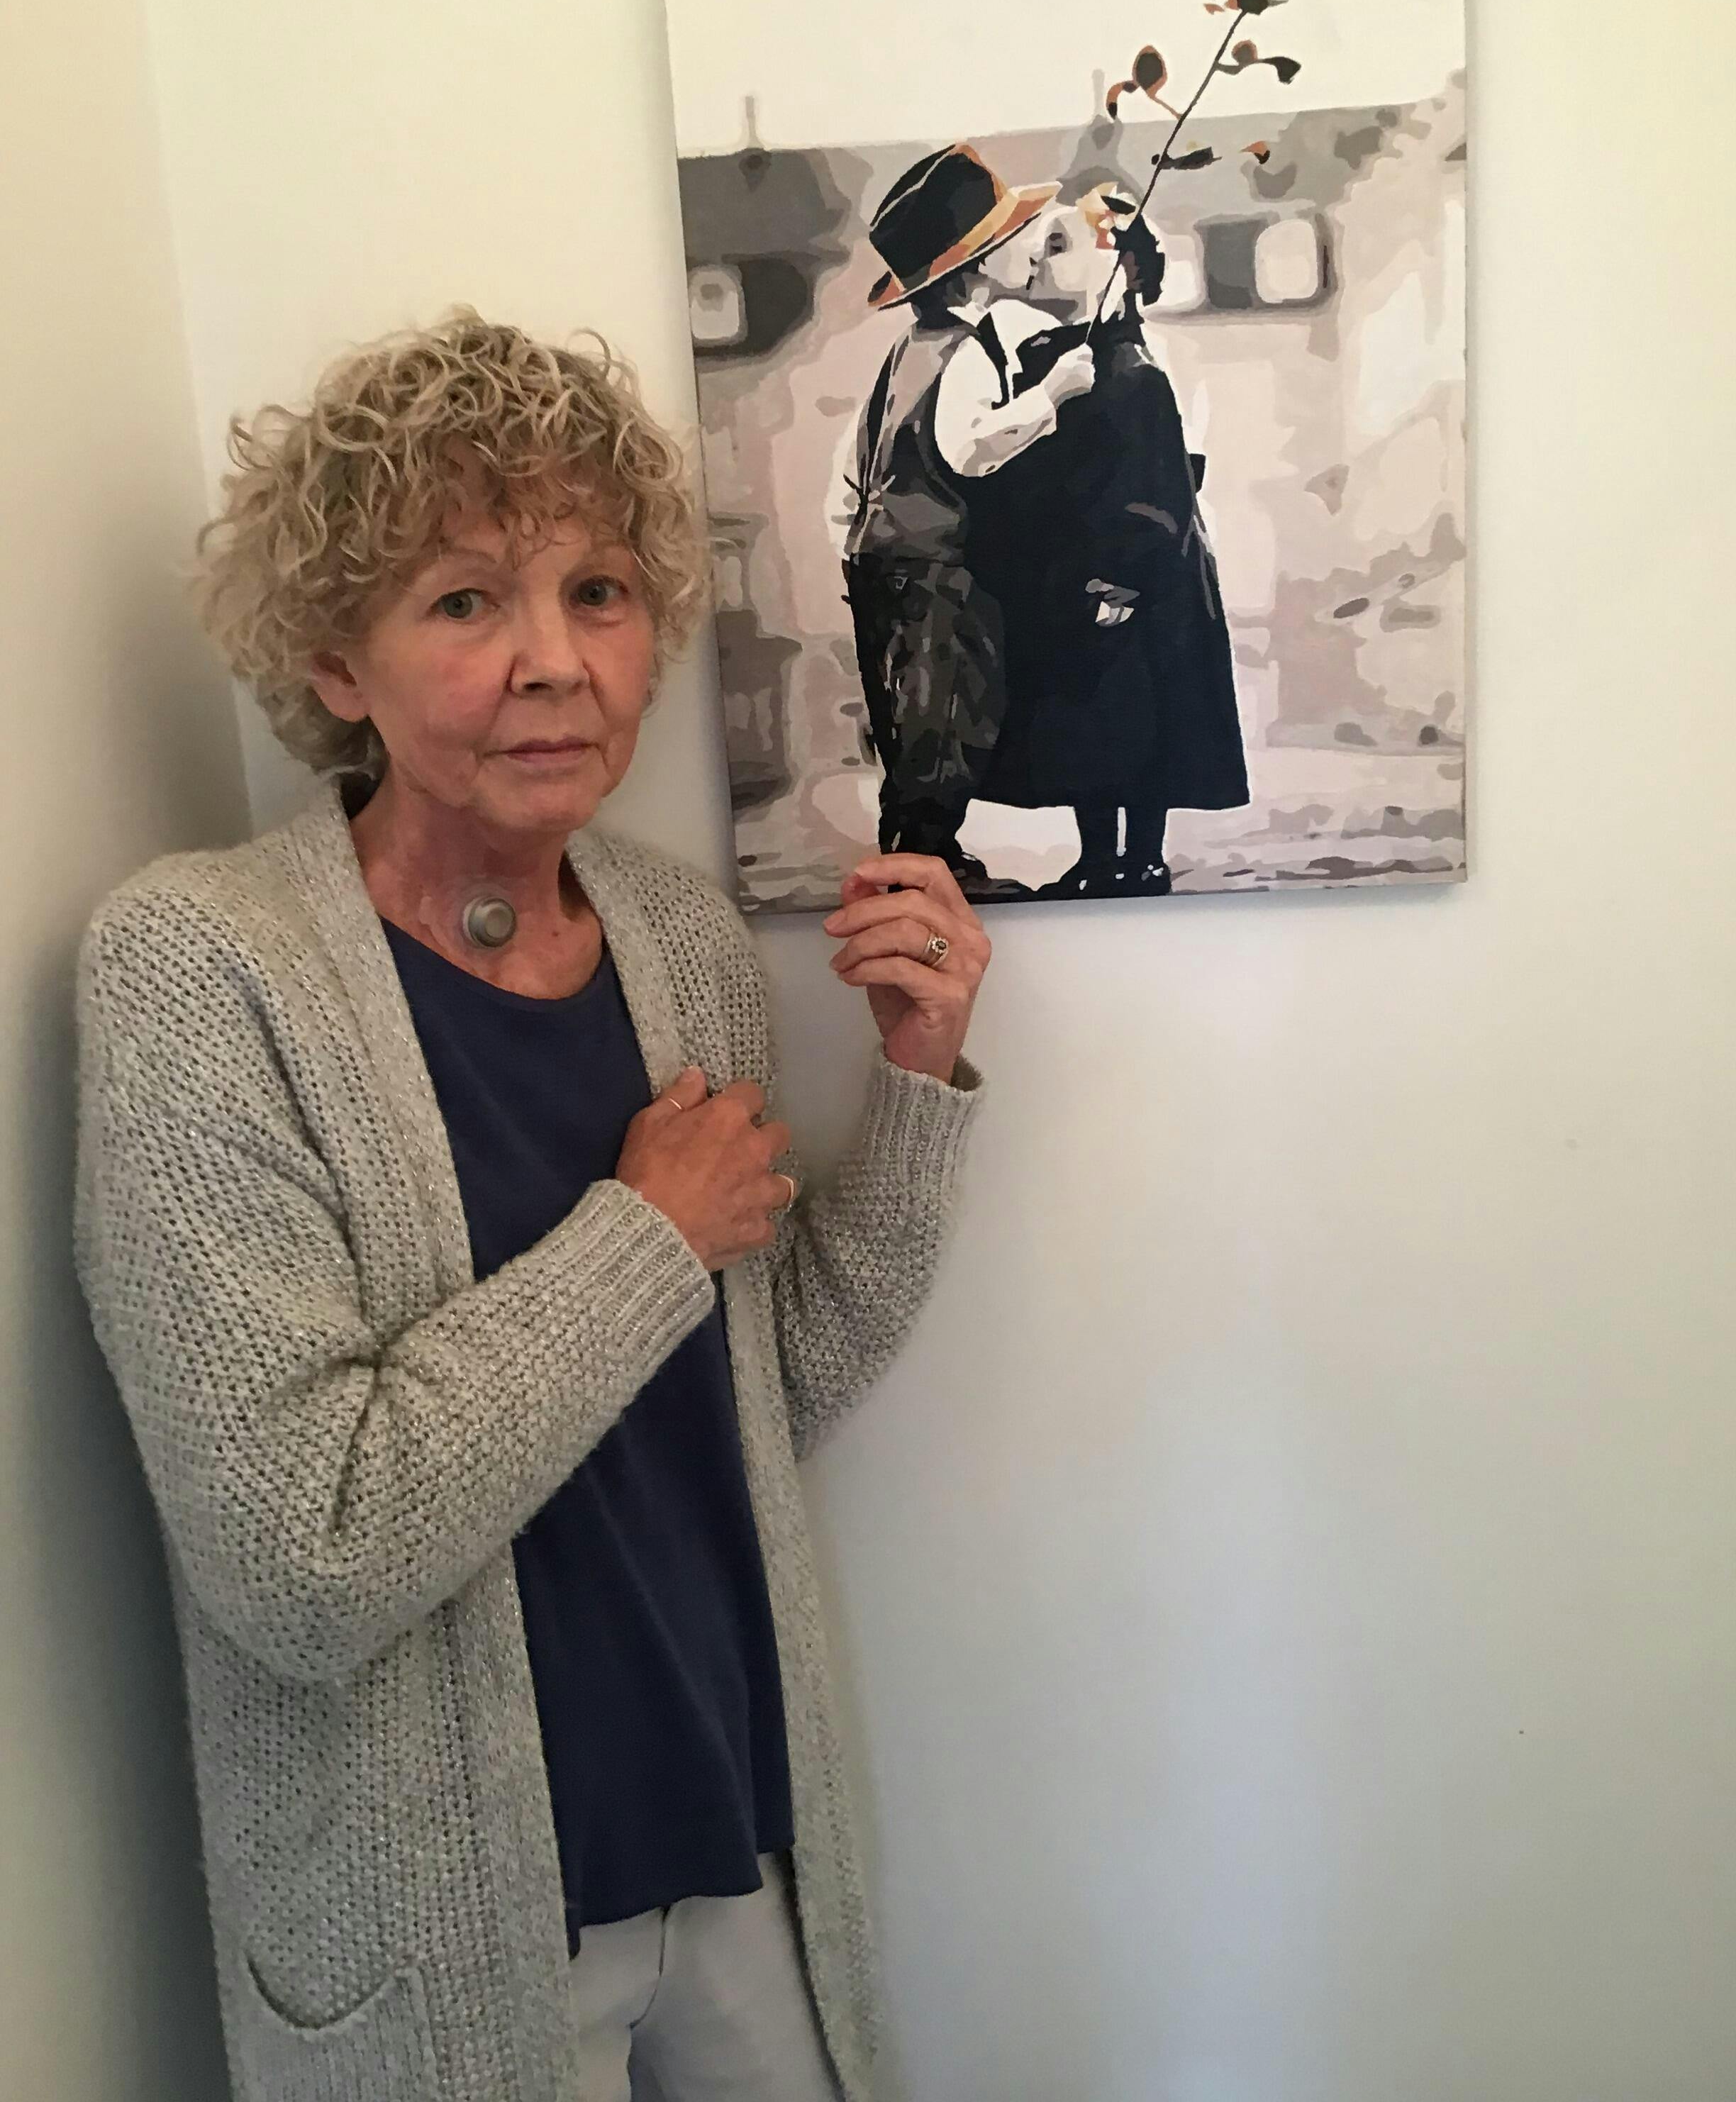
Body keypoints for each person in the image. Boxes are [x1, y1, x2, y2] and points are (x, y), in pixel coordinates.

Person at [72, 309, 992, 2102]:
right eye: (463, 602)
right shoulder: (201, 967)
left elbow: (766, 1384)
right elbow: (302, 1552)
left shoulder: (680, 945)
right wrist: (645, 1235)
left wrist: (916, 1075)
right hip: (442, 1913)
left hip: (731, 1827)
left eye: (596, 592)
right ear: (337, 662)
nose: (554, 663)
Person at [833, 143, 1097, 895]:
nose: (1031, 245)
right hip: (935, 566)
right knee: (947, 715)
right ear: (976, 267)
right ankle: (929, 865)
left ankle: (919, 855)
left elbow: (857, 466)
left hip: (882, 559)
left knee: (907, 716)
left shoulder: (906, 350)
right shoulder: (966, 350)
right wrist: (1054, 394)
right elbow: (968, 450)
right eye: (1011, 236)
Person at [972, 187, 1250, 896]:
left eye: (1061, 245)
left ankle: (1143, 857)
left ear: (1119, 269)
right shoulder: (1057, 361)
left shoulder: (1132, 372)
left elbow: (1154, 489)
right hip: (1076, 573)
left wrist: (1120, 581)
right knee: (1089, 726)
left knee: (1139, 719)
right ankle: (1098, 857)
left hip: (1134, 580)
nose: (1040, 259)